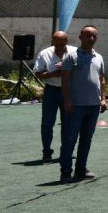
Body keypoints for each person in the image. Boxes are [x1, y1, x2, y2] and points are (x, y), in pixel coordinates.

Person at [60, 25, 107, 183]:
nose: (91, 39)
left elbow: (102, 80)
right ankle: (66, 171)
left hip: (93, 106)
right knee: (70, 138)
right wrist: (67, 100)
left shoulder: (99, 57)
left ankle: (81, 169)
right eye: (88, 35)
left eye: (94, 36)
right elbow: (65, 81)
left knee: (86, 139)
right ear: (80, 37)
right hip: (76, 106)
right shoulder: (71, 57)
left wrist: (103, 99)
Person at [34, 30, 75, 162]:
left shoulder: (75, 53)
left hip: (69, 91)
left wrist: (67, 70)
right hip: (51, 91)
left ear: (67, 42)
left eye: (62, 45)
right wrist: (54, 73)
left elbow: (82, 70)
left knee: (68, 123)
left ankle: (66, 151)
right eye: (57, 45)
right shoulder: (44, 53)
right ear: (53, 42)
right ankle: (47, 151)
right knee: (47, 122)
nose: (59, 48)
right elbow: (38, 74)